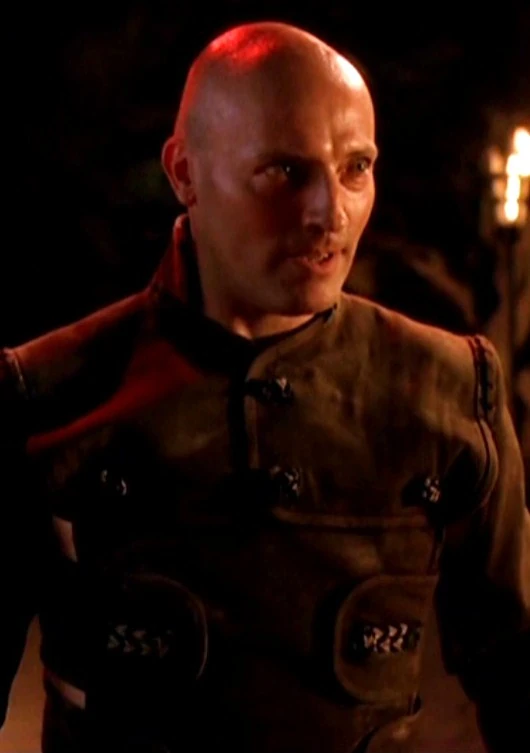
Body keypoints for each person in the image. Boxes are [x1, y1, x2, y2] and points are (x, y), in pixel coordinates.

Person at [1, 21, 528, 753]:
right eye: (285, 170)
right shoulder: (51, 391)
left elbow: (516, 672)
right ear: (185, 174)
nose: (330, 213)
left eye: (356, 167)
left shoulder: (446, 390)